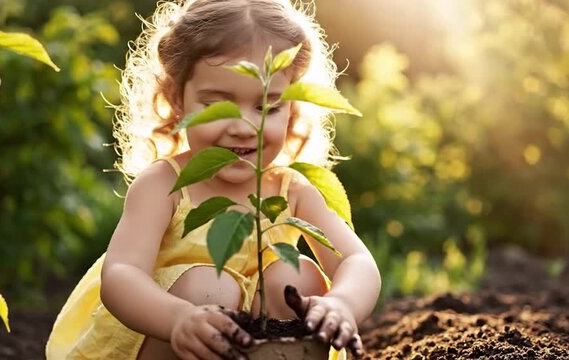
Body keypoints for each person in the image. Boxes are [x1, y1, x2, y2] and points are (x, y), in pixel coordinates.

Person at [46, 0, 381, 359]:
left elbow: (356, 261)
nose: (243, 128)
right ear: (177, 99)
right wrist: (177, 319)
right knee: (213, 286)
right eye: (217, 105)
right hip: (167, 341)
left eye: (267, 107)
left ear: (292, 108)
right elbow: (121, 274)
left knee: (295, 277)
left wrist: (343, 303)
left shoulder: (293, 190)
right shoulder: (165, 185)